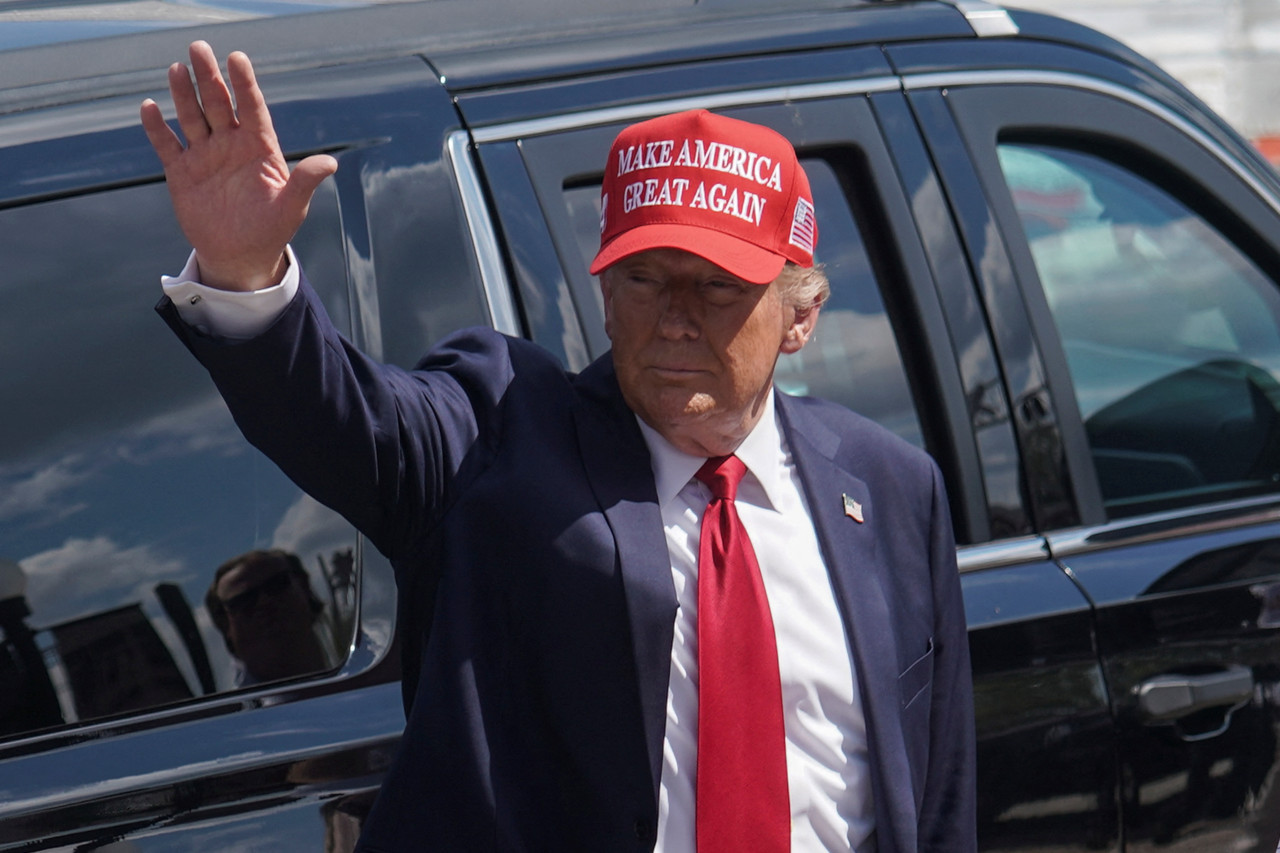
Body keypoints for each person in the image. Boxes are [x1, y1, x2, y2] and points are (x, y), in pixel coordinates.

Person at [141, 41, 975, 852]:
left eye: (719, 286)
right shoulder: (500, 427)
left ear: (801, 314)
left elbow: (935, 792)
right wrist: (245, 275)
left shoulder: (888, 486)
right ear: (604, 292)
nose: (676, 316)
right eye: (645, 278)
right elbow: (348, 421)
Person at [204, 549, 333, 686]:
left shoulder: (354, 669)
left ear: (304, 586)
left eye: (277, 584)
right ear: (224, 624)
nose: (264, 602)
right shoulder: (233, 706)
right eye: (244, 600)